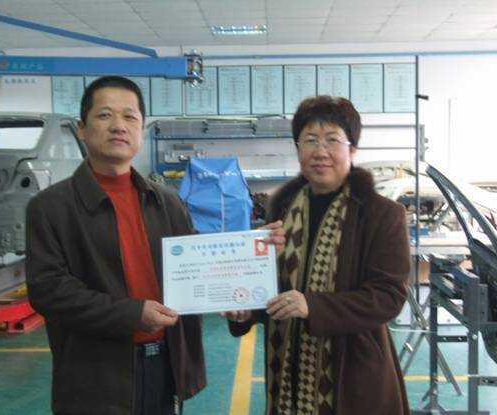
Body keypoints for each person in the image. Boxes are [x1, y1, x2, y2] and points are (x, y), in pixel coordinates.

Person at [26, 76, 203, 415]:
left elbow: (195, 266)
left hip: (164, 366)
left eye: (130, 116)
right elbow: (49, 291)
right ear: (82, 128)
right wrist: (132, 314)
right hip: (95, 376)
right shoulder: (50, 207)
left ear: (141, 128)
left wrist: (252, 255)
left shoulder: (166, 202)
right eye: (105, 115)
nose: (119, 126)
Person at [226, 96, 411, 414]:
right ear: (298, 148)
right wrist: (247, 309)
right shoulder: (281, 208)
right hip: (287, 371)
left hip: (352, 376)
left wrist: (312, 306)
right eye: (310, 140)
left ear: (352, 149)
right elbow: (273, 287)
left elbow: (388, 297)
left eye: (332, 140)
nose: (320, 151)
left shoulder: (381, 214)